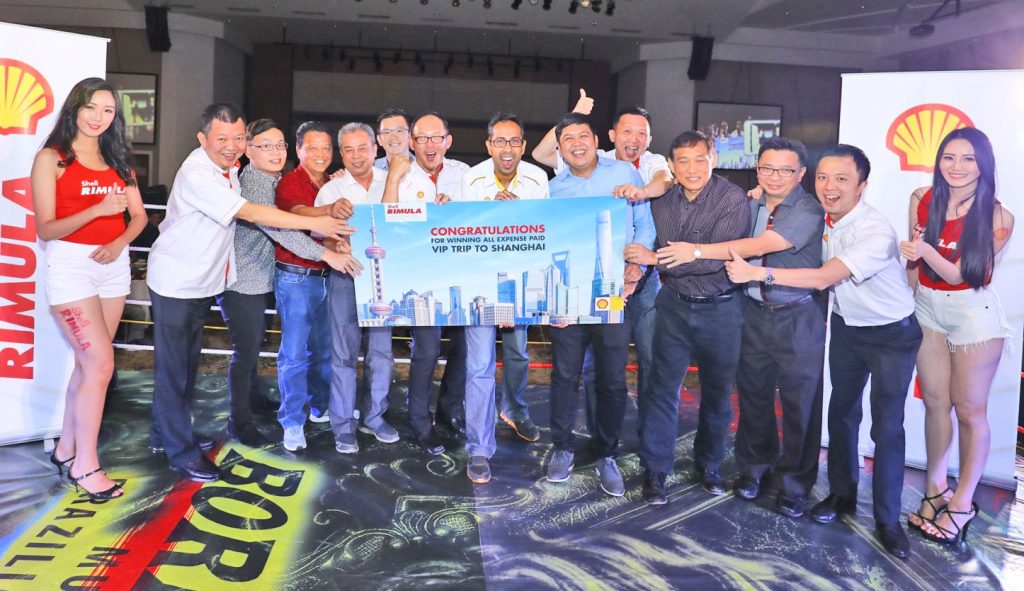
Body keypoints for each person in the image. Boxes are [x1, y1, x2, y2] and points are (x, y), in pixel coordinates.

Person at [725, 144, 922, 559]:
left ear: (862, 185)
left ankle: (888, 521)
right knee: (842, 416)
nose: (830, 186)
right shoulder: (825, 217)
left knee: (887, 427)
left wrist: (757, 271)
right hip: (848, 329)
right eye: (824, 177)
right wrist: (760, 194)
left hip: (890, 334)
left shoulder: (874, 230)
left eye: (842, 179)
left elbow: (822, 278)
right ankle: (841, 495)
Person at [146, 103, 350, 482]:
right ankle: (182, 450)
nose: (232, 146)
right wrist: (322, 233)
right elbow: (259, 217)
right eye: (223, 138)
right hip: (179, 280)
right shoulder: (201, 174)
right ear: (202, 138)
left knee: (187, 366)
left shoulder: (231, 170)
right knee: (177, 369)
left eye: (238, 138)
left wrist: (330, 185)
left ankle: (165, 435)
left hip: (204, 280)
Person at [650, 137, 826, 516]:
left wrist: (690, 251)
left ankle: (794, 485)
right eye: (767, 168)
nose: (774, 176)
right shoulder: (753, 202)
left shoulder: (807, 208)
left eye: (784, 170)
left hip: (796, 314)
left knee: (798, 405)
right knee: (753, 397)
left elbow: (754, 246)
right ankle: (753, 471)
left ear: (800, 173)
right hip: (751, 310)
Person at [31, 77, 147, 499]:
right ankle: (86, 465)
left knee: (87, 365)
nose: (99, 117)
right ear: (75, 108)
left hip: (113, 267)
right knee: (99, 365)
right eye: (92, 108)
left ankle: (66, 449)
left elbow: (139, 217)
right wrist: (97, 210)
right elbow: (46, 228)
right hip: (71, 267)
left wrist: (119, 241)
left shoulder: (117, 159)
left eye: (108, 111)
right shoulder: (52, 158)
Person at [899, 128, 1013, 545]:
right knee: (934, 401)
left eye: (968, 158)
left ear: (983, 164)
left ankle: (963, 503)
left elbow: (961, 274)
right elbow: (914, 265)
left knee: (969, 410)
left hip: (972, 314)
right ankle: (935, 490)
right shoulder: (921, 197)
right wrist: (912, 296)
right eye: (949, 157)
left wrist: (924, 251)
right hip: (927, 308)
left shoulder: (998, 217)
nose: (957, 166)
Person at [626, 131, 750, 505]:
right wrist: (640, 260)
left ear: (713, 159)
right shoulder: (662, 200)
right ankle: (656, 470)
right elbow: (645, 237)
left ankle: (709, 465)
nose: (692, 168)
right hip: (674, 306)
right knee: (661, 389)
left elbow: (720, 256)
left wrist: (655, 259)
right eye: (683, 160)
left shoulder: (731, 198)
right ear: (671, 164)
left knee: (717, 393)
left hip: (722, 309)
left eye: (700, 159)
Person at [220, 118, 360, 447]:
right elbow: (283, 230)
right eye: (265, 146)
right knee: (262, 352)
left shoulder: (287, 179)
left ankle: (299, 405)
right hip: (250, 280)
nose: (275, 152)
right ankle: (252, 421)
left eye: (278, 145)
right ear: (248, 150)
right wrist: (326, 249)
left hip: (281, 276)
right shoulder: (258, 182)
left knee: (308, 349)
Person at [544, 112, 651, 497]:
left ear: (595, 140)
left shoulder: (624, 173)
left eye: (583, 136)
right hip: (568, 298)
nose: (577, 143)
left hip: (615, 295)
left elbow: (645, 224)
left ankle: (607, 453)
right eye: (568, 139)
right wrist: (550, 298)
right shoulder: (553, 189)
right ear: (560, 148)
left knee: (612, 379)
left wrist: (638, 266)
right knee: (564, 376)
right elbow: (545, 242)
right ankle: (562, 447)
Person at [456, 112, 550, 482]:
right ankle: (479, 448)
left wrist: (519, 215)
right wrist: (492, 212)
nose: (507, 148)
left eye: (514, 141)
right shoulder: (471, 179)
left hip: (521, 281)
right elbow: (463, 232)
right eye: (500, 141)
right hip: (480, 283)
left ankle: (515, 410)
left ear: (523, 146)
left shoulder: (538, 179)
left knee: (518, 354)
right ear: (488, 145)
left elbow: (542, 233)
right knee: (480, 366)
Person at [382, 112, 470, 455]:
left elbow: (481, 219)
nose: (430, 145)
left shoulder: (464, 174)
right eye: (422, 138)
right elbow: (386, 220)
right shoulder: (398, 175)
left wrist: (455, 211)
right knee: (427, 351)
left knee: (464, 349)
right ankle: (420, 421)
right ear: (412, 142)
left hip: (462, 277)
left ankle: (450, 411)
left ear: (448, 141)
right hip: (420, 279)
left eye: (437, 138)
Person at [314, 122, 399, 453]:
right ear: (341, 154)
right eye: (348, 150)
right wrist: (335, 244)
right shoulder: (331, 190)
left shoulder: (393, 181)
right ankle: (342, 425)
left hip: (384, 281)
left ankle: (374, 417)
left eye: (362, 148)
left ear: (375, 149)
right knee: (343, 354)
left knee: (381, 354)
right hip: (345, 278)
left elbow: (406, 223)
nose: (356, 156)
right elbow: (317, 236)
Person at [273, 121, 354, 452]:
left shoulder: (336, 182)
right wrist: (329, 210)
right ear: (299, 150)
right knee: (293, 354)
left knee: (324, 351)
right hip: (296, 278)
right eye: (312, 148)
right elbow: (299, 213)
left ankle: (320, 407)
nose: (321, 154)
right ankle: (292, 420)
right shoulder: (289, 183)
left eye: (326, 148)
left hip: (330, 276)